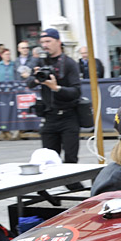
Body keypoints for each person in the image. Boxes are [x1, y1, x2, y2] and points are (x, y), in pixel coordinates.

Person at [27, 27, 82, 164]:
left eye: (48, 41)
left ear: (58, 41)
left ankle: (75, 185)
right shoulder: (40, 62)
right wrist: (36, 78)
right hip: (49, 116)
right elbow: (29, 83)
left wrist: (56, 88)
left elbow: (76, 92)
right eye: (42, 42)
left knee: (70, 159)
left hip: (68, 116)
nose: (45, 45)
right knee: (48, 159)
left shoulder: (69, 63)